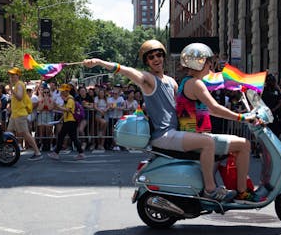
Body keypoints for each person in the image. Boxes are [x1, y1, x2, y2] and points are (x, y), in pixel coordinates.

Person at [83, 40, 255, 202]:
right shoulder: (149, 81)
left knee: (221, 143)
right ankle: (210, 190)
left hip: (177, 132)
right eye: (151, 57)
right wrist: (100, 62)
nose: (156, 59)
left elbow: (183, 108)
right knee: (208, 142)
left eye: (159, 55)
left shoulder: (172, 81)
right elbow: (127, 71)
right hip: (164, 135)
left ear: (163, 56)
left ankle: (240, 191)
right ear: (147, 62)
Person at [177, 43, 262, 203]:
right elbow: (214, 107)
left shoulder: (186, 82)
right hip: (197, 137)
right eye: (209, 62)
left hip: (195, 135)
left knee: (232, 145)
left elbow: (209, 110)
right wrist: (242, 118)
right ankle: (242, 191)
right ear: (199, 62)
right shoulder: (196, 84)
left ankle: (216, 185)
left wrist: (239, 115)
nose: (211, 66)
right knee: (244, 144)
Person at [7, 67, 42, 160]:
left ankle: (37, 152)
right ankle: (8, 150)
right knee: (9, 132)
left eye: (13, 75)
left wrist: (11, 89)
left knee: (26, 133)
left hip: (20, 114)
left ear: (17, 75)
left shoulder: (19, 85)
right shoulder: (17, 85)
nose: (11, 77)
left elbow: (19, 97)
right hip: (15, 114)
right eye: (10, 75)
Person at [48, 84, 85, 160]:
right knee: (73, 138)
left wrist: (58, 107)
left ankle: (56, 153)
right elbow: (67, 112)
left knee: (61, 136)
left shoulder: (70, 100)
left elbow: (68, 110)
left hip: (70, 121)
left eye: (62, 91)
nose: (61, 93)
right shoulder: (68, 99)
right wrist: (61, 119)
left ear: (66, 91)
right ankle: (81, 153)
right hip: (69, 121)